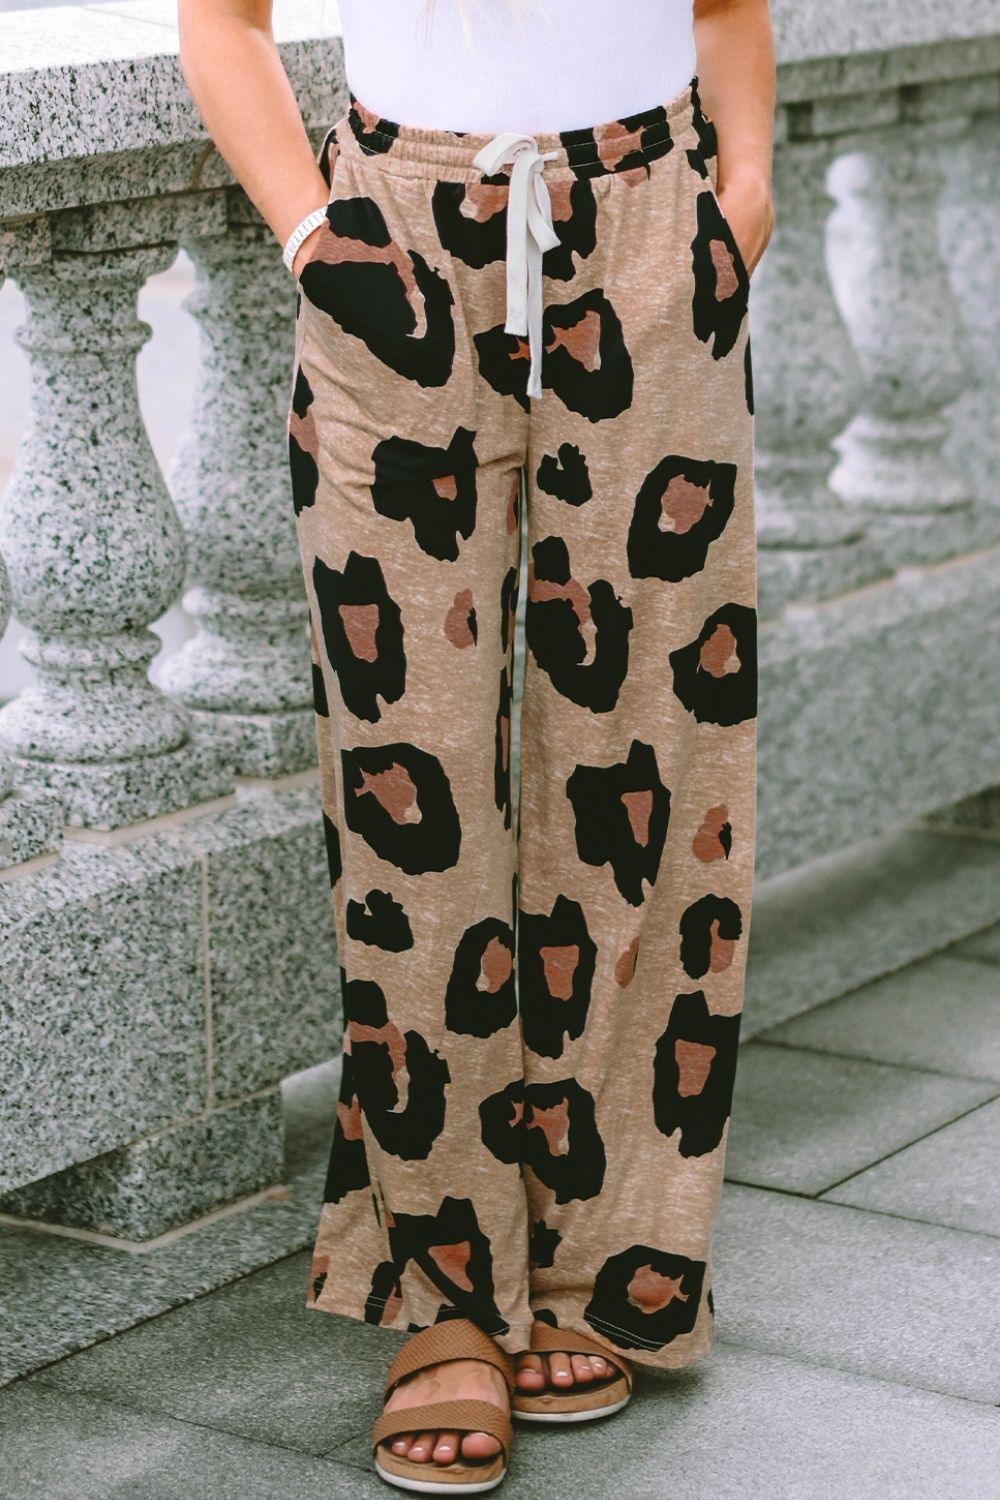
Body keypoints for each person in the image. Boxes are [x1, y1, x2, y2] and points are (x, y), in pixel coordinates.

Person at [179, 0, 774, 1491]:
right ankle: (447, 1291)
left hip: (648, 235)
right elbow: (222, 18)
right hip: (397, 241)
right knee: (413, 784)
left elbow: (727, 8)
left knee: (651, 761)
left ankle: (608, 1251)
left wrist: (734, 202)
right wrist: (321, 242)